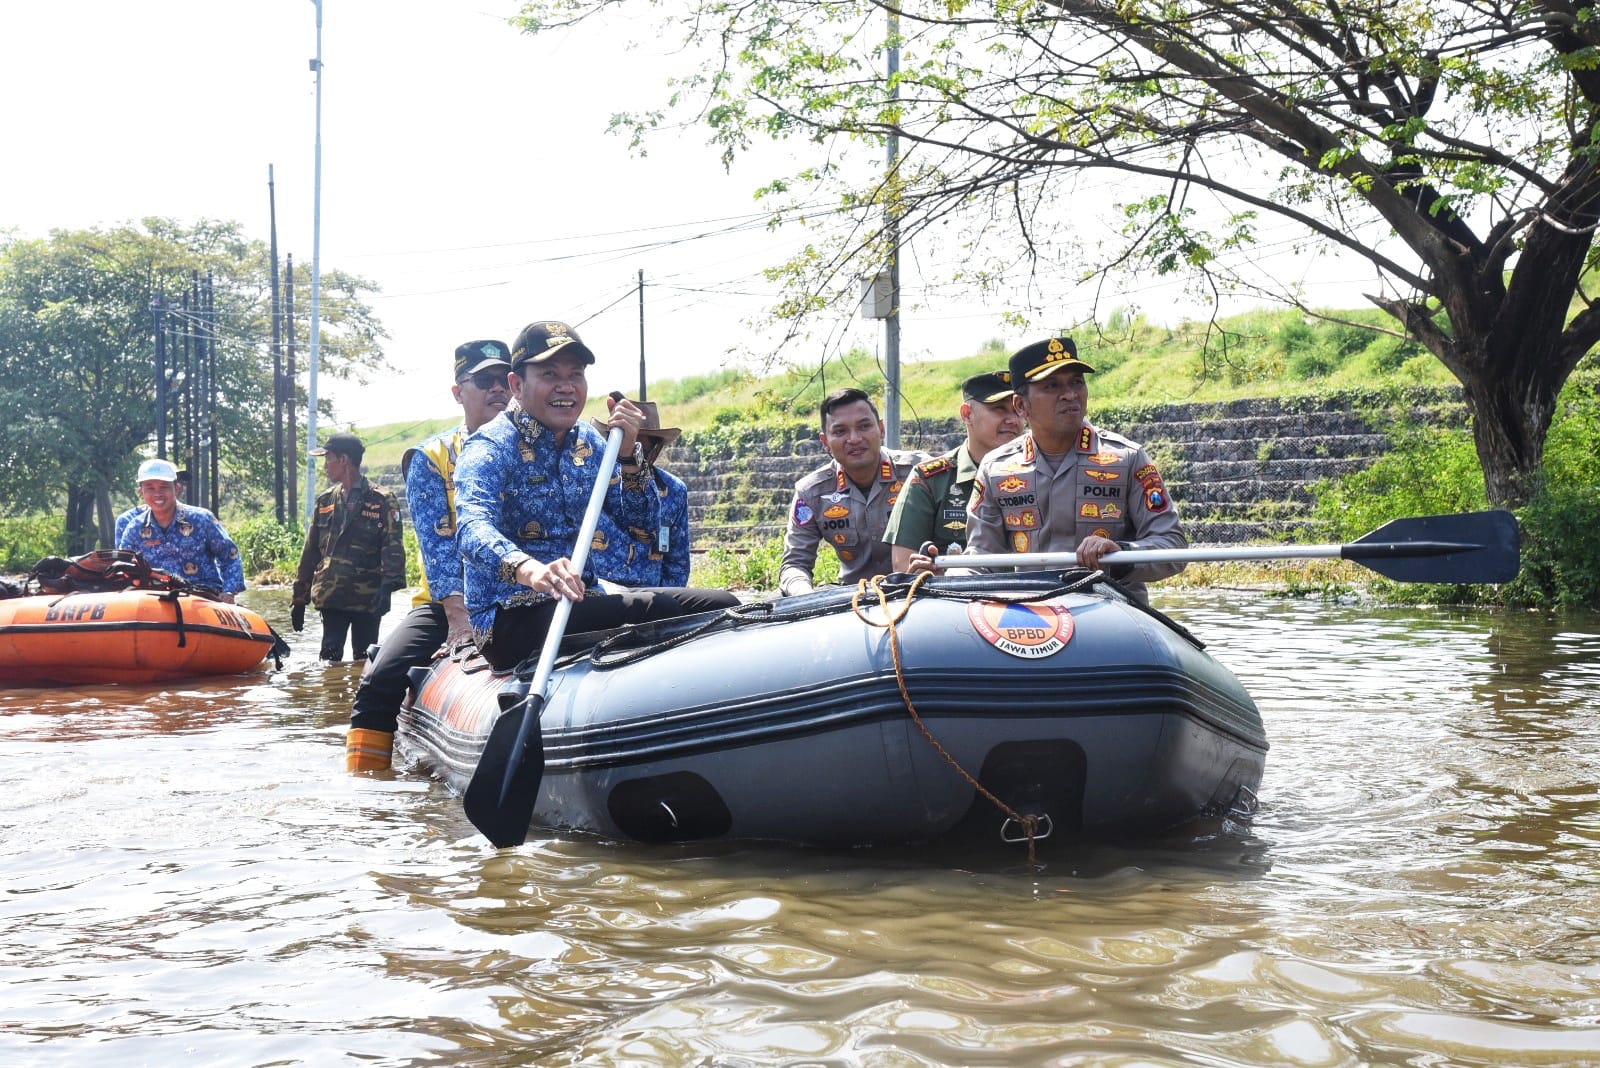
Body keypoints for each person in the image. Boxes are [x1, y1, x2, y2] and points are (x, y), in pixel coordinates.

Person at [454, 320, 738, 672]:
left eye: (575, 375)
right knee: (665, 610)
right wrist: (530, 570)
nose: (566, 387)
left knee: (723, 603)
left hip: (581, 602)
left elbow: (641, 523)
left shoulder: (588, 442)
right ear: (516, 385)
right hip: (511, 618)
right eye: (550, 375)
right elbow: (471, 528)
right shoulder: (490, 447)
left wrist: (629, 457)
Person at [345, 339, 514, 772]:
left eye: (503, 380)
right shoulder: (433, 458)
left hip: (523, 594)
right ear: (459, 392)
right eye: (484, 381)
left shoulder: (536, 446)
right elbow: (438, 547)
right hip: (449, 603)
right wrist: (459, 621)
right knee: (381, 679)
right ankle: (366, 789)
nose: (497, 389)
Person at [960, 336, 1186, 603]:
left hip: (1113, 613)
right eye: (1052, 386)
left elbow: (1172, 545)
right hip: (1029, 618)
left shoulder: (1127, 458)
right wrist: (940, 573)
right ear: (1022, 406)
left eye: (1076, 382)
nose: (1070, 394)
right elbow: (981, 559)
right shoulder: (996, 468)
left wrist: (1121, 554)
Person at [777, 387, 927, 596]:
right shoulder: (811, 493)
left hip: (923, 592)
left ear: (881, 429)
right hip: (853, 602)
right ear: (825, 442)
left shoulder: (922, 473)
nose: (854, 439)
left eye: (864, 426)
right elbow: (795, 563)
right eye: (840, 431)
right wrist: (804, 595)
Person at [885, 371, 1023, 573]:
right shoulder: (930, 480)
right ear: (967, 414)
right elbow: (904, 565)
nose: (1012, 419)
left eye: (1018, 409)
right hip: (955, 600)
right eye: (999, 409)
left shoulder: (1038, 472)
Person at [291, 431, 407, 662]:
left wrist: (387, 588)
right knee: (329, 656)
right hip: (332, 595)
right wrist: (299, 599)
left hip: (368, 597)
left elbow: (392, 546)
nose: (325, 465)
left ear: (344, 460)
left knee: (364, 659)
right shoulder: (325, 502)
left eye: (328, 458)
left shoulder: (382, 500)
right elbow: (311, 552)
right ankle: (333, 698)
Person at [592, 402, 692, 588]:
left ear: (656, 449)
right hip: (599, 592)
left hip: (651, 596)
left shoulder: (674, 490)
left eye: (639, 447)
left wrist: (666, 607)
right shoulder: (592, 480)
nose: (630, 448)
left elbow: (677, 564)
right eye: (625, 442)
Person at [117, 459, 245, 601]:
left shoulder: (202, 519)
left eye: (164, 487)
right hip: (154, 601)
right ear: (141, 492)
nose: (157, 493)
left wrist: (229, 592)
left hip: (203, 598)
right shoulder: (134, 529)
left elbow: (230, 556)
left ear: (177, 488)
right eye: (150, 488)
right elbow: (125, 570)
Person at [114, 468, 189, 546]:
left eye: (180, 481)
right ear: (141, 491)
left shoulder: (196, 519)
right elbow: (124, 555)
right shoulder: (129, 520)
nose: (179, 486)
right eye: (151, 487)